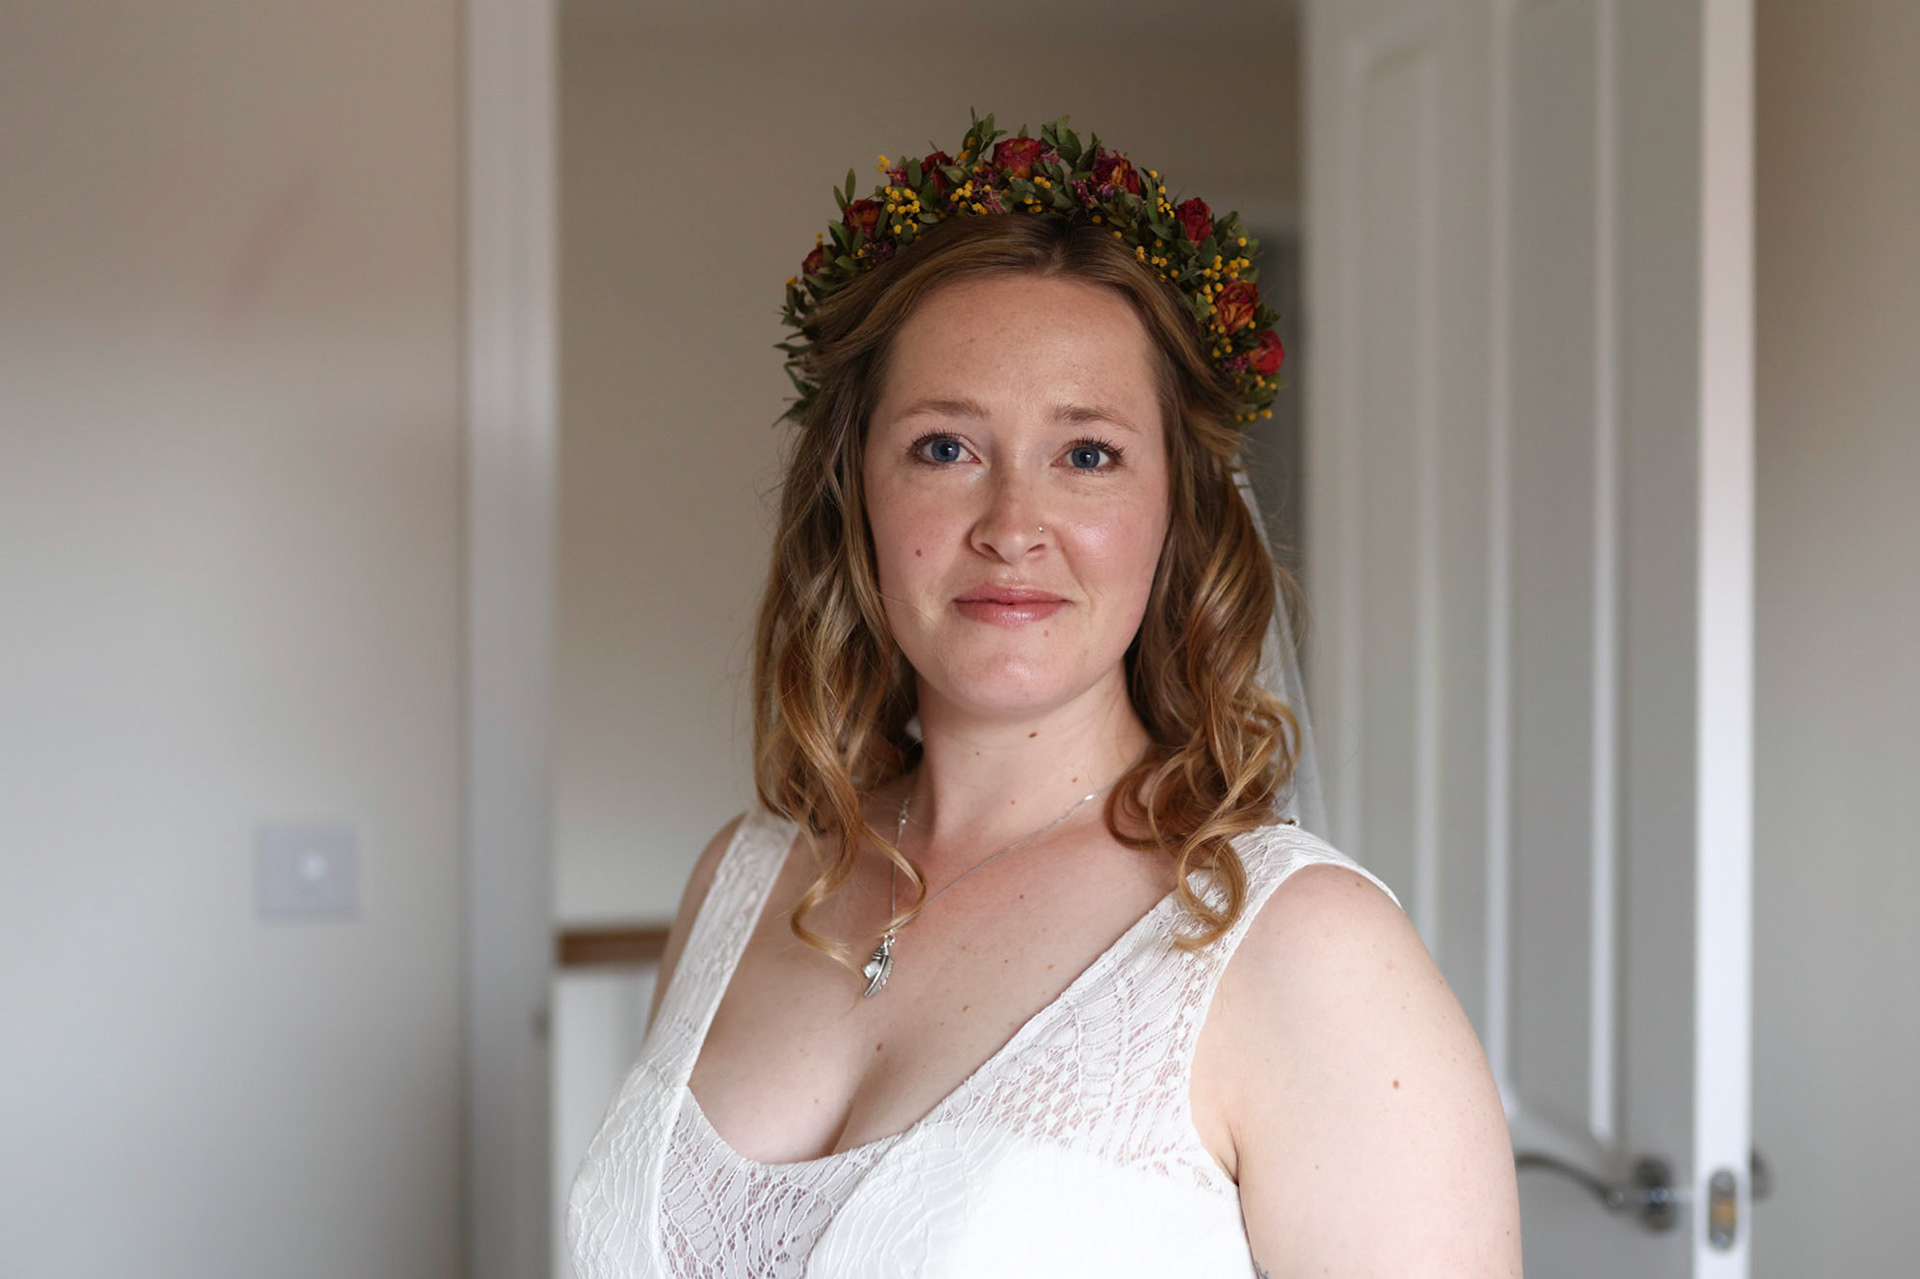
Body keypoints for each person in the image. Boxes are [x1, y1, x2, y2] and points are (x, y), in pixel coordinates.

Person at [568, 113, 1522, 1277]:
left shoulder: (1308, 952)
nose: (1012, 526)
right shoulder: (742, 879)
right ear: (856, 493)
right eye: (945, 448)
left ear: (1176, 511)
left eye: (1086, 455)